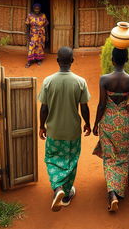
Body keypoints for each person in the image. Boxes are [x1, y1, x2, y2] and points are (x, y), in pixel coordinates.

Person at [38, 46, 91, 212]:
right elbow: (84, 107)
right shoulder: (80, 82)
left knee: (52, 158)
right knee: (71, 160)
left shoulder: (48, 81)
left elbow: (44, 108)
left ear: (57, 61)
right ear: (72, 61)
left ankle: (57, 188)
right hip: (73, 131)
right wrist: (87, 124)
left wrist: (42, 126)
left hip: (54, 130)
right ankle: (66, 195)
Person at [93, 47, 129, 212]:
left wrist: (95, 123)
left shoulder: (104, 79)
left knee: (109, 157)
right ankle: (118, 191)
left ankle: (112, 194)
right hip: (124, 122)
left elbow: (101, 105)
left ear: (112, 60)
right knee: (122, 157)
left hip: (108, 121)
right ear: (126, 60)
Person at [25, 3, 49, 68]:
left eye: (38, 8)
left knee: (40, 46)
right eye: (35, 8)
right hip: (33, 33)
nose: (37, 10)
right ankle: (29, 61)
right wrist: (27, 34)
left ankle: (39, 59)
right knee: (32, 46)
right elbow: (27, 25)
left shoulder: (43, 15)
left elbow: (46, 25)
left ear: (40, 9)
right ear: (33, 8)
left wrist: (47, 35)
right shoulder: (30, 15)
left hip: (41, 34)